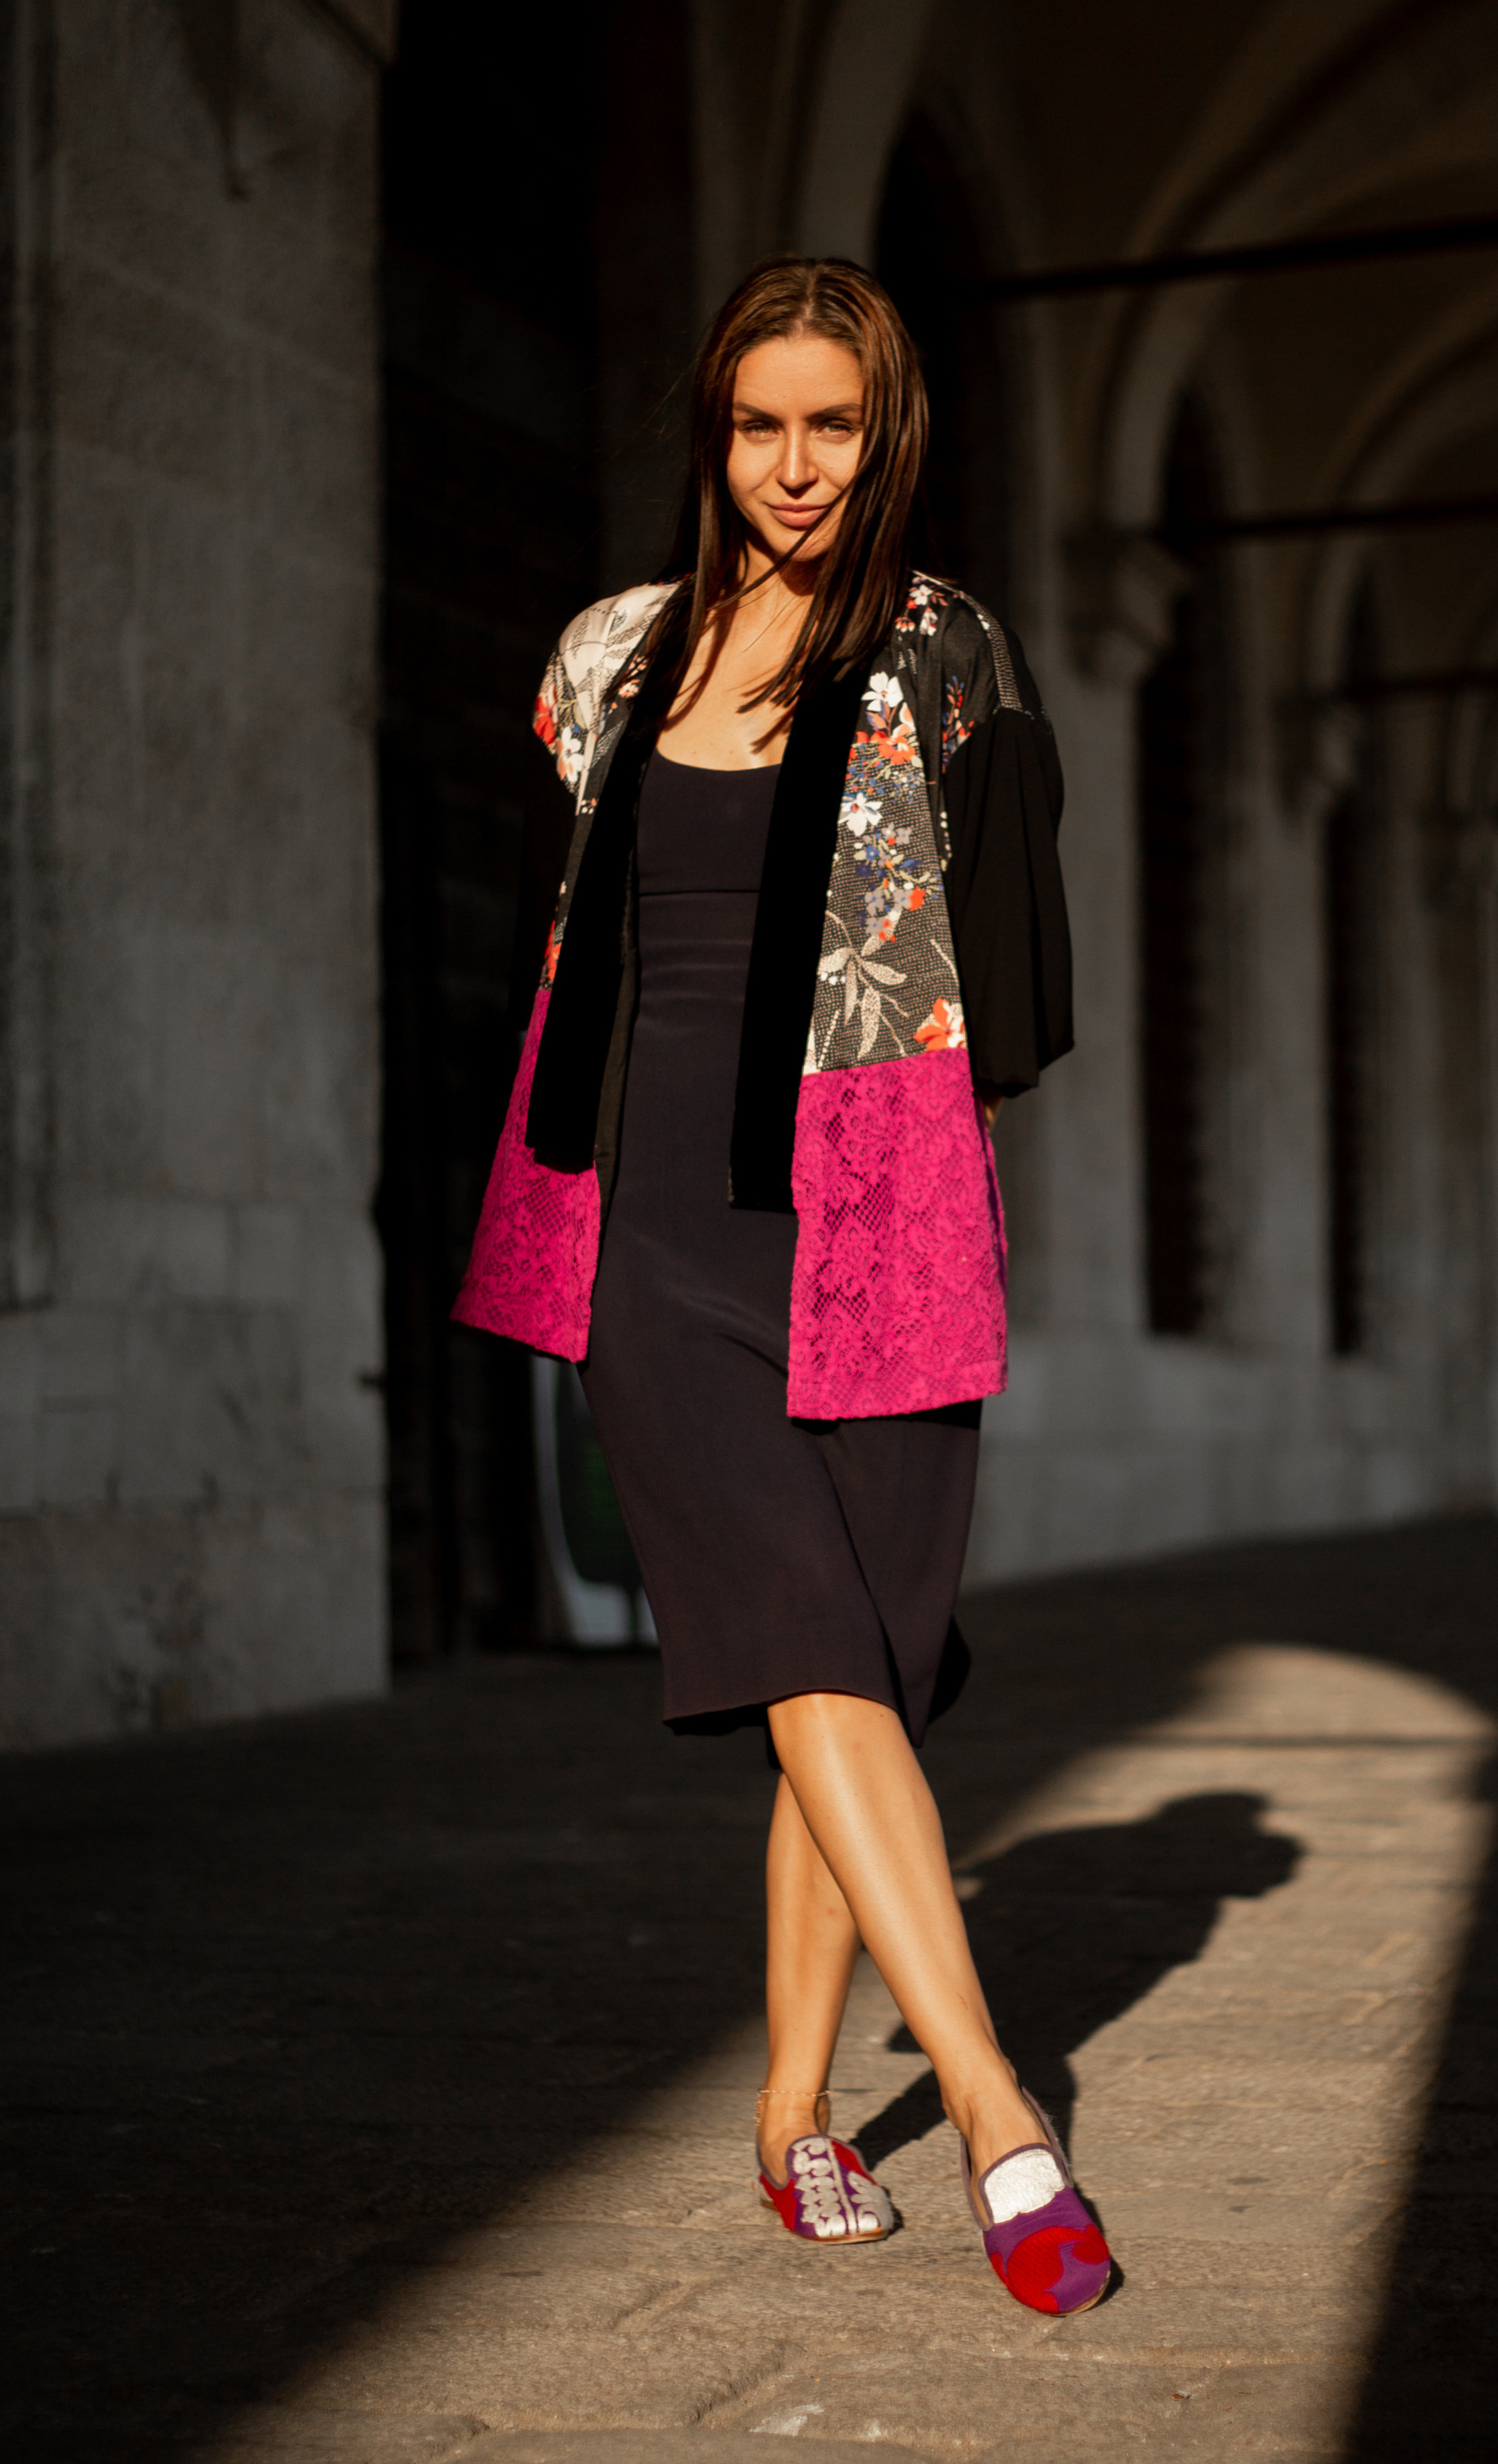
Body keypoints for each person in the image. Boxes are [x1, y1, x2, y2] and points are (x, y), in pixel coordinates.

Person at [455, 257, 1109, 2318]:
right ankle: (1001, 2114)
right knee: (810, 1657)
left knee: (859, 1685)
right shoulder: (608, 659)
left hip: (880, 1212)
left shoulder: (945, 650)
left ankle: (793, 2112)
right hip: (652, 1230)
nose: (796, 465)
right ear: (713, 435)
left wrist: (914, 1139)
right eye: (760, 425)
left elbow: (1018, 977)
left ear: (884, 430)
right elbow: (567, 940)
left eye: (833, 424)